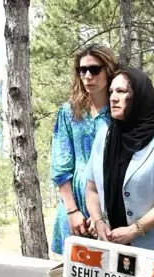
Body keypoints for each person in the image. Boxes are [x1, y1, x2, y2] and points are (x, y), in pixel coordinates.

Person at [85, 67, 154, 253]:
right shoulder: (105, 135)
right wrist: (98, 221)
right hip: (112, 246)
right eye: (111, 91)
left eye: (121, 91)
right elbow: (92, 188)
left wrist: (134, 231)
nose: (113, 97)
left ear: (139, 95)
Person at [50, 44, 118, 255]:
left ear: (108, 70)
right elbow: (61, 165)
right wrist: (72, 210)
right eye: (82, 70)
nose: (88, 75)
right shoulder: (69, 112)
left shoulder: (119, 111)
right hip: (74, 200)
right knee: (70, 274)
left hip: (111, 198)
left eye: (95, 69)